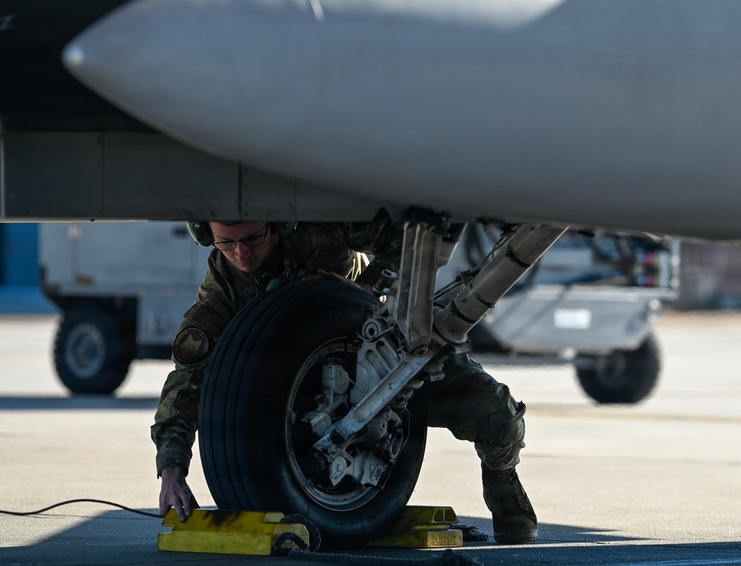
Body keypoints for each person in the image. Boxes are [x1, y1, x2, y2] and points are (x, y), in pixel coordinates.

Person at [151, 217, 538, 544]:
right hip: (303, 387)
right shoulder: (223, 292)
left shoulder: (323, 228)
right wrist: (172, 470)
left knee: (495, 411)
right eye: (226, 243)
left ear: (275, 225)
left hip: (377, 344)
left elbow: (410, 238)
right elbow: (186, 383)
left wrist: (369, 286)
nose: (242, 254)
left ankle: (501, 476)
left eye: (252, 238)